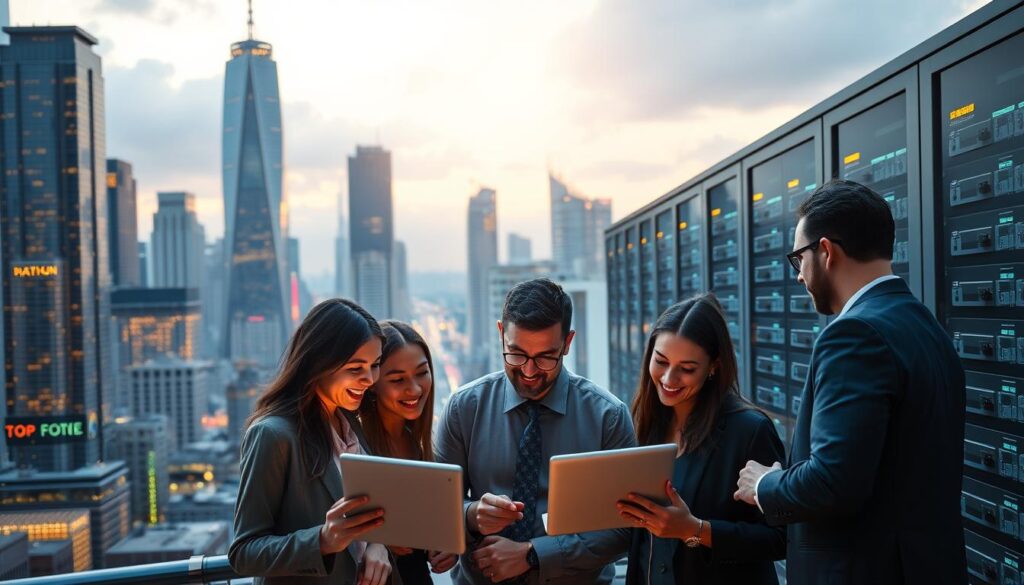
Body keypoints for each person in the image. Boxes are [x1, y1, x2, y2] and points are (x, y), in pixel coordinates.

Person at [735, 179, 967, 584]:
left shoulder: (854, 335)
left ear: (826, 252)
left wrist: (765, 485)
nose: (798, 276)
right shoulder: (927, 328)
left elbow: (832, 482)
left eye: (798, 259)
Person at [435, 277, 637, 584]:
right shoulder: (464, 408)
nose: (529, 372)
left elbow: (625, 528)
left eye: (545, 357)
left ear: (567, 344)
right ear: (501, 333)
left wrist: (533, 554)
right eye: (516, 354)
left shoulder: (607, 416)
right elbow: (437, 509)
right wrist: (471, 515)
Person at [618, 294, 785, 584]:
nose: (669, 378)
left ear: (713, 367)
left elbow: (780, 539)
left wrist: (695, 530)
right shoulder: (646, 423)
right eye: (661, 361)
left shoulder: (749, 430)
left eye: (687, 369)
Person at [229, 298, 398, 585]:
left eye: (375, 365)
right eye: (356, 368)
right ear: (319, 363)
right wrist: (321, 540)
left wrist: (376, 544)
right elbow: (244, 553)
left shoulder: (350, 422)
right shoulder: (273, 435)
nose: (369, 379)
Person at [359, 320, 459, 583]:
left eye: (422, 373)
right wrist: (377, 542)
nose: (414, 389)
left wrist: (442, 545)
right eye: (397, 379)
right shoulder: (354, 447)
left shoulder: (419, 443)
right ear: (372, 383)